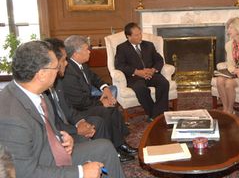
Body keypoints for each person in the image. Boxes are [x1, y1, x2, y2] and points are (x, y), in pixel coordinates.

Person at [0, 40, 124, 177]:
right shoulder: (11, 117)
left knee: (105, 148)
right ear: (41, 74)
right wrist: (81, 172)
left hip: (52, 151)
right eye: (55, 67)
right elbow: (25, 173)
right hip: (42, 165)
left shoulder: (39, 94)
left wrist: (61, 139)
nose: (60, 69)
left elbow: (47, 129)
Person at [45, 38, 133, 162]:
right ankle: (113, 149)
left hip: (85, 101)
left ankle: (120, 143)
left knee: (112, 107)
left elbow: (95, 77)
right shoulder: (68, 73)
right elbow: (78, 102)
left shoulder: (81, 65)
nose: (90, 52)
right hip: (79, 107)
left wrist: (105, 88)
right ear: (76, 53)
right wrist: (100, 103)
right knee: (105, 112)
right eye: (87, 49)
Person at [115, 22, 170, 121]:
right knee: (141, 89)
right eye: (136, 35)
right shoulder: (122, 48)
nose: (140, 36)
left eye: (140, 33)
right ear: (128, 37)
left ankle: (155, 115)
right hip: (135, 77)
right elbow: (120, 65)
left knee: (164, 83)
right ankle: (155, 113)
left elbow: (159, 60)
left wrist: (153, 70)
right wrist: (137, 72)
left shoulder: (149, 45)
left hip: (151, 74)